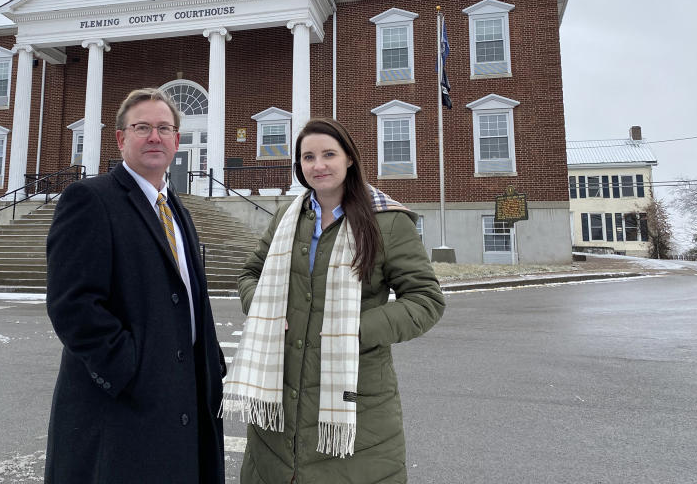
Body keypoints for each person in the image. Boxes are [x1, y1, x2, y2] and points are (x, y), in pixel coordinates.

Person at [224, 118, 445, 483]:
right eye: (308, 157)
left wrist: (353, 330)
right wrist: (264, 311)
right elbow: (251, 275)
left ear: (349, 159)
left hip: (358, 400)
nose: (318, 165)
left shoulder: (387, 221)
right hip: (279, 400)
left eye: (329, 154)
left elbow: (426, 300)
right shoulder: (287, 217)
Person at [45, 88, 226, 484]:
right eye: (142, 127)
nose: (154, 137)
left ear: (178, 141)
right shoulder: (90, 200)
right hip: (121, 409)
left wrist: (211, 367)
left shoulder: (177, 209)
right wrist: (129, 369)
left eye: (164, 128)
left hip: (184, 398)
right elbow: (73, 305)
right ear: (120, 138)